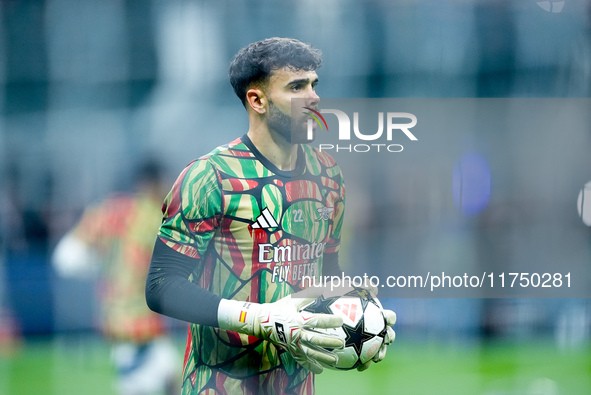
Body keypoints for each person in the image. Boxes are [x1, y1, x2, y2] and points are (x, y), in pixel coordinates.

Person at [145, 37, 396, 395]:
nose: (313, 97)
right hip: (219, 383)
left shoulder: (327, 175)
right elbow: (161, 286)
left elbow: (325, 274)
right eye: (296, 87)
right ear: (257, 100)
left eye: (314, 84)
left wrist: (356, 308)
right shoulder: (209, 177)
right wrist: (261, 319)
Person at [53, 159, 180, 395]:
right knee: (141, 384)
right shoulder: (154, 214)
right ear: (151, 183)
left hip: (116, 315)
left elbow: (65, 259)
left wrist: (102, 264)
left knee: (171, 375)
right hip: (138, 321)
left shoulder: (106, 211)